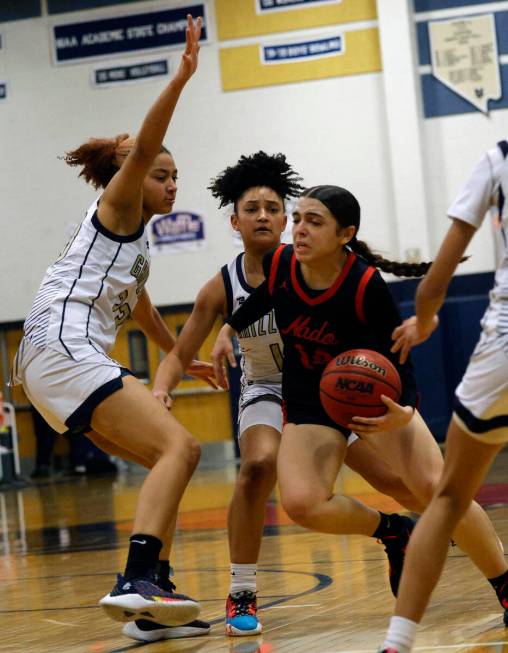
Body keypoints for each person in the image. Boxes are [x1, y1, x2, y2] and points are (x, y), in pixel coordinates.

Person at [152, 154, 427, 638]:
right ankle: (242, 589)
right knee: (258, 465)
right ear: (234, 221)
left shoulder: (314, 266)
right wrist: (159, 389)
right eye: (251, 208)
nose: (263, 216)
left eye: (273, 208)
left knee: (404, 484)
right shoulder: (221, 285)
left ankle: (404, 531)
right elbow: (178, 354)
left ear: (286, 218)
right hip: (265, 389)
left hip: (331, 391)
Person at [211, 184, 508, 630]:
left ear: (345, 234)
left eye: (315, 222)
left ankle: (504, 583)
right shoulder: (280, 262)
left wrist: (403, 410)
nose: (300, 230)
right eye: (298, 220)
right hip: (311, 402)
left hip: (376, 399)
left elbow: (400, 356)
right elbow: (266, 296)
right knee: (302, 503)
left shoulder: (364, 284)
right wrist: (229, 328)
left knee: (437, 490)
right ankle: (393, 530)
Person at [10, 15, 213, 632]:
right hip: (67, 348)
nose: (170, 183)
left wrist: (183, 352)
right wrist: (180, 78)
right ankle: (136, 578)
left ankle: (151, 605)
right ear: (132, 175)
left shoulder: (129, 243)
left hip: (44, 361)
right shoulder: (119, 204)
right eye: (161, 173)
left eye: (176, 176)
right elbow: (147, 146)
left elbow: (142, 308)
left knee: (166, 462)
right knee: (183, 446)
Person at [377, 140, 508, 653]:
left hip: (501, 350)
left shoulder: (498, 159)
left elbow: (434, 281)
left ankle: (398, 640)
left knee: (449, 497)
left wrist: (427, 319)